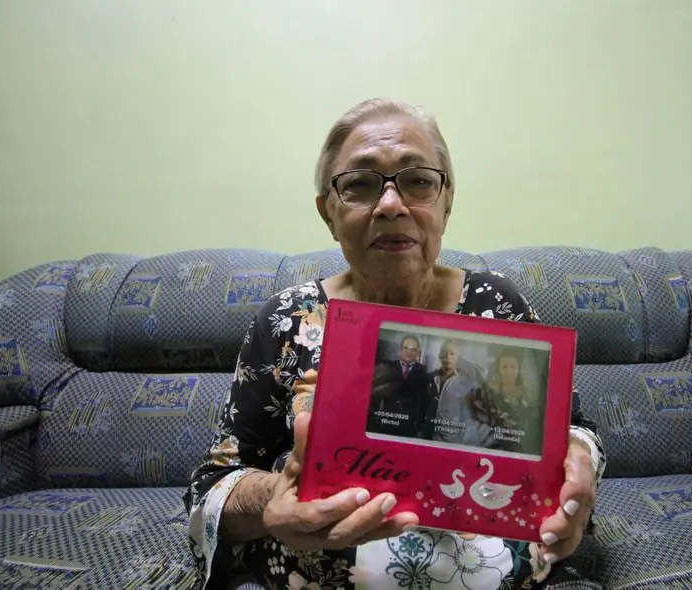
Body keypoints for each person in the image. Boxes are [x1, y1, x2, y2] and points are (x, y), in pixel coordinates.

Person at [185, 98, 608, 589]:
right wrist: (273, 498)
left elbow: (575, 428)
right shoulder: (286, 320)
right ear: (329, 212)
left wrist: (576, 460)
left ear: (446, 202)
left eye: (418, 180)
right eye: (360, 184)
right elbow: (212, 483)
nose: (390, 204)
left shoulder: (498, 302)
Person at [367, 334, 430, 438]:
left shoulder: (423, 372)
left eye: (413, 349)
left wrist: (418, 426)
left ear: (418, 352)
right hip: (387, 421)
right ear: (400, 350)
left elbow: (424, 402)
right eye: (406, 348)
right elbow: (375, 395)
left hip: (408, 425)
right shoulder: (388, 368)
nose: (409, 352)